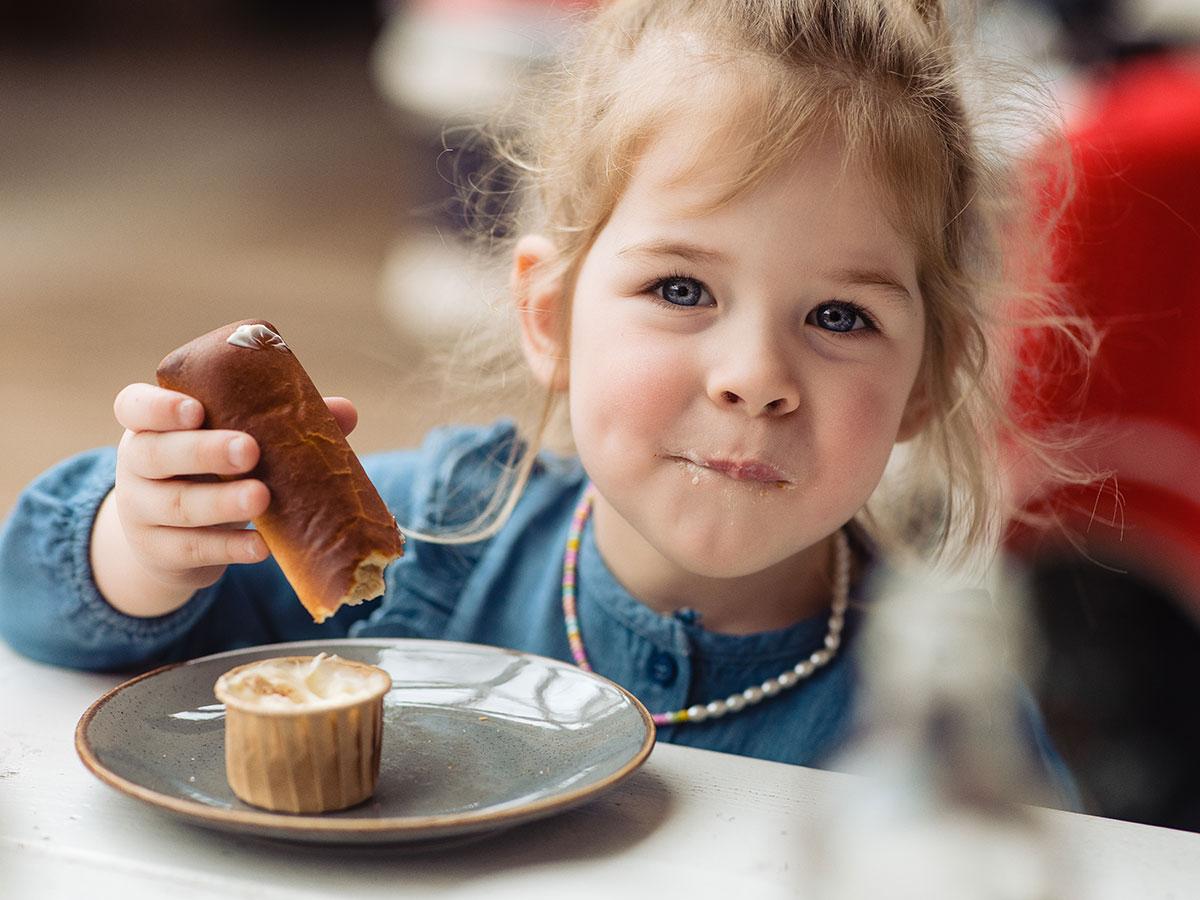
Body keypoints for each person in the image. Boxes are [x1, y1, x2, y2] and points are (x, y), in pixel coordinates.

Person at [0, 0, 1087, 798]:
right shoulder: (431, 549)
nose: (753, 377)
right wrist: (142, 545)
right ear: (550, 317)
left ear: (929, 379)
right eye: (682, 289)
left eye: (840, 317)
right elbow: (42, 613)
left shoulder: (939, 711)